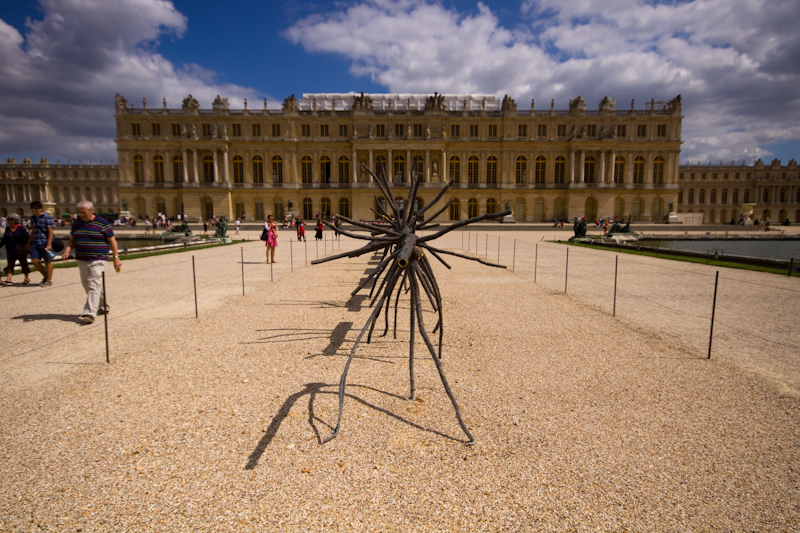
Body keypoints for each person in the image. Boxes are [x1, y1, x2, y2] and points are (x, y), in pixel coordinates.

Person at [61, 200, 122, 324]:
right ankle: (103, 306)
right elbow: (72, 239)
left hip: (98, 258)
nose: (81, 215)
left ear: (91, 211)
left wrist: (116, 257)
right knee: (87, 285)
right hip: (82, 258)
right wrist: (67, 250)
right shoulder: (77, 223)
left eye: (83, 212)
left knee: (93, 283)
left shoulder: (102, 223)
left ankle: (89, 312)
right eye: (79, 213)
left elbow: (112, 241)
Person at [27, 201, 55, 286]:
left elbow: (50, 231)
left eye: (35, 208)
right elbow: (33, 231)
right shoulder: (32, 218)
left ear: (40, 208)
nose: (33, 209)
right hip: (35, 242)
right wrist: (28, 242)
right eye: (32, 208)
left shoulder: (47, 217)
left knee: (47, 261)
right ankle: (46, 276)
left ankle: (48, 280)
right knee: (34, 261)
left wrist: (49, 244)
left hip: (45, 242)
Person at [0, 214, 31, 286]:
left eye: (10, 220)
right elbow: (4, 239)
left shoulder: (21, 229)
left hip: (20, 249)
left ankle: (26, 278)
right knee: (10, 263)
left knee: (23, 263)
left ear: (14, 220)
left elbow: (27, 238)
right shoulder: (8, 229)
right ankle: (9, 280)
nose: (8, 221)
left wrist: (27, 246)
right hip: (10, 249)